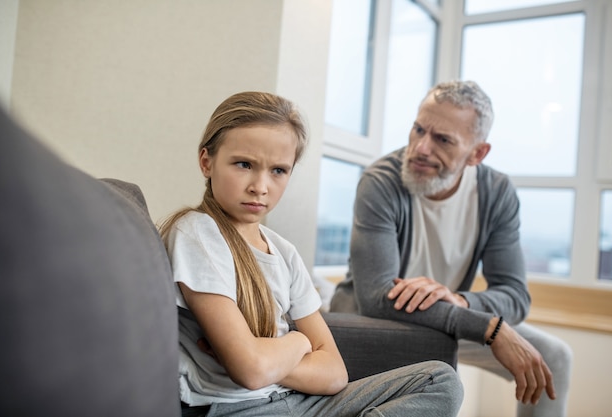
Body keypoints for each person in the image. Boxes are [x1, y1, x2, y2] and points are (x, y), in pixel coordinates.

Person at [159, 91, 464, 417]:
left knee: (441, 380)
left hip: (298, 401)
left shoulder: (283, 252)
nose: (260, 186)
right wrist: (299, 343)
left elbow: (334, 373)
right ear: (206, 161)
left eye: (278, 170)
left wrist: (265, 358)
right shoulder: (197, 234)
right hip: (242, 408)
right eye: (244, 164)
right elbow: (251, 371)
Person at [330, 80, 573, 417]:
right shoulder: (381, 181)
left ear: (477, 153)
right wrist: (489, 328)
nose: (421, 148)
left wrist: (459, 301)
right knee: (439, 361)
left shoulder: (496, 193)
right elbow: (375, 298)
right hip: (371, 319)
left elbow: (516, 296)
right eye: (418, 130)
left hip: (448, 317)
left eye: (442, 139)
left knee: (555, 358)